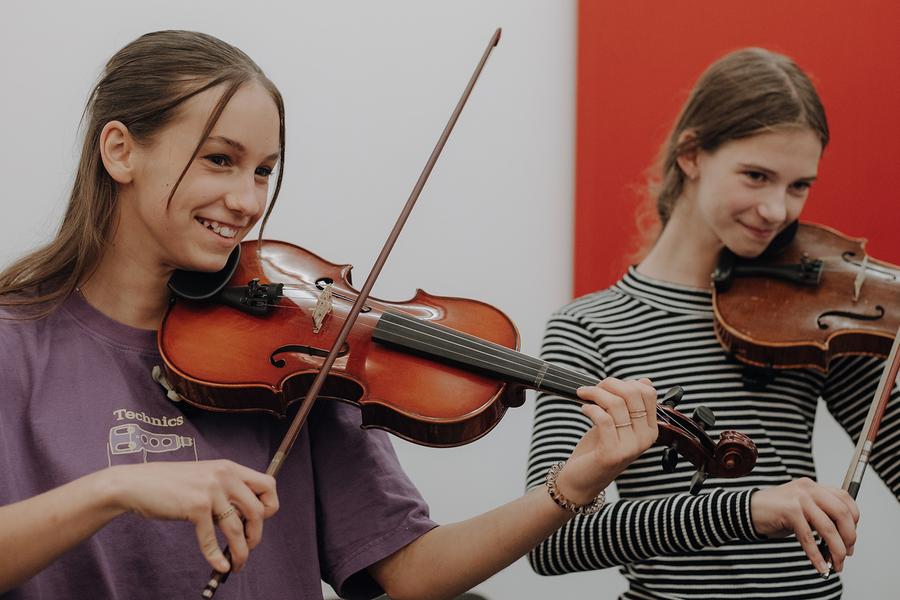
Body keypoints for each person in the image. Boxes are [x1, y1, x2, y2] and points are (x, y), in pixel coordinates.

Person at [0, 30, 659, 600]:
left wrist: (572, 483)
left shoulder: (295, 349)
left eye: (263, 171)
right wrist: (113, 489)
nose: (246, 199)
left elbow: (409, 572)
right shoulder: (14, 345)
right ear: (121, 151)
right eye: (220, 160)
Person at [526, 47, 899, 599]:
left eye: (799, 186)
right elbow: (552, 541)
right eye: (757, 176)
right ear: (692, 154)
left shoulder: (814, 314)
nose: (778, 210)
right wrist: (746, 509)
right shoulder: (588, 328)